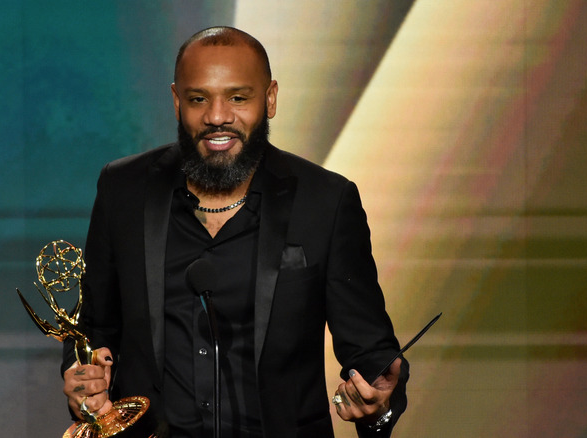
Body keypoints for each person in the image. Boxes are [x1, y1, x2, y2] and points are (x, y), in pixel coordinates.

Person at [61, 26, 408, 438]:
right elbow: (93, 328)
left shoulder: (326, 201)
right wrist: (83, 384)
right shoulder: (123, 189)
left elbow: (371, 353)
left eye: (238, 98)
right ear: (176, 101)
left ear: (271, 98)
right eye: (198, 99)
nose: (217, 116)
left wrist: (379, 403)